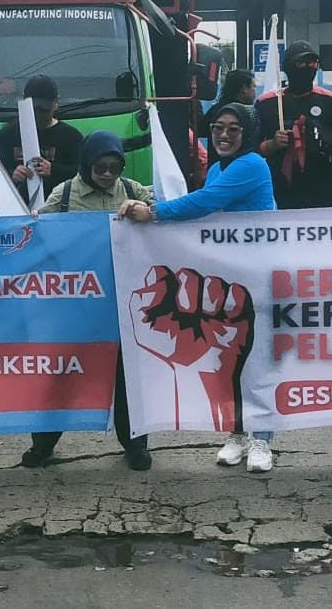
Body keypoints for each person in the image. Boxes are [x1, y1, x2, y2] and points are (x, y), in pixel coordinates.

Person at [118, 103, 278, 472]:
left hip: (258, 274)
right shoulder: (220, 167)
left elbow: (204, 203)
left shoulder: (252, 164)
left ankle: (262, 441)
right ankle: (236, 434)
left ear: (248, 133)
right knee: (229, 359)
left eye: (233, 129)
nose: (223, 134)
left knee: (257, 361)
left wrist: (154, 213)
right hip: (230, 277)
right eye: (218, 127)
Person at [23, 131, 155, 471]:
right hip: (77, 303)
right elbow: (36, 231)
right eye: (101, 168)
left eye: (114, 167)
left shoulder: (132, 190)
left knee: (126, 377)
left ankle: (135, 444)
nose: (108, 174)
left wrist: (146, 210)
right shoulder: (64, 194)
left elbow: (162, 213)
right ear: (86, 164)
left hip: (122, 300)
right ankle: (43, 444)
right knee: (64, 373)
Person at [255, 41, 332, 209]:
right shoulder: (267, 103)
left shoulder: (331, 102)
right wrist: (271, 145)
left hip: (322, 191)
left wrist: (321, 136)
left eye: (312, 63)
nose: (307, 68)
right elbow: (250, 148)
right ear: (288, 67)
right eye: (301, 63)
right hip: (278, 192)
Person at [0, 75, 84, 204]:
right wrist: (12, 174)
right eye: (34, 108)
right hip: (15, 206)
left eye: (44, 109)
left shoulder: (71, 137)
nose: (39, 114)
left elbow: (83, 174)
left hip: (58, 206)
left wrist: (53, 170)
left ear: (56, 103)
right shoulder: (7, 135)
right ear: (24, 101)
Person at [203, 69, 257, 135]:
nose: (255, 91)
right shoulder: (246, 113)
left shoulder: (216, 109)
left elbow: (202, 130)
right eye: (254, 86)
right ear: (244, 88)